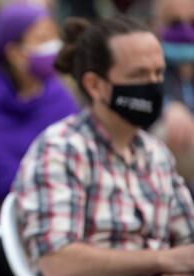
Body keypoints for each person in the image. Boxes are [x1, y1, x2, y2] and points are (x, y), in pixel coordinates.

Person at [13, 16, 194, 275]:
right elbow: (57, 261)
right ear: (95, 85)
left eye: (158, 73)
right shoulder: (61, 149)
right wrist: (162, 260)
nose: (153, 85)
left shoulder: (156, 154)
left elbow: (187, 243)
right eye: (139, 74)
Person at [0, 3, 78, 220]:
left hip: (57, 200)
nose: (53, 46)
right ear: (14, 52)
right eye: (41, 39)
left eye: (53, 37)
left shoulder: (57, 92)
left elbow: (75, 149)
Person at [151, 0, 194, 192]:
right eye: (175, 22)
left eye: (193, 22)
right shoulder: (148, 68)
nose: (185, 30)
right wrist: (166, 108)